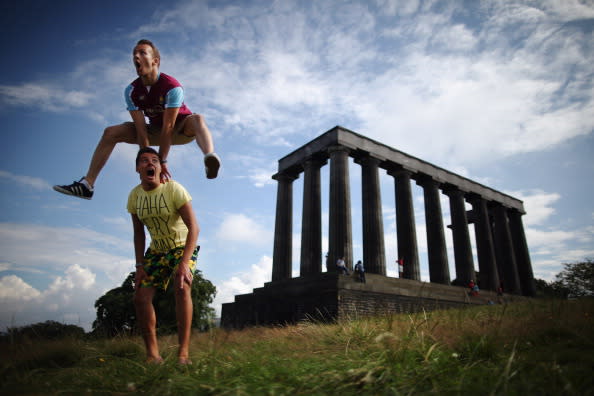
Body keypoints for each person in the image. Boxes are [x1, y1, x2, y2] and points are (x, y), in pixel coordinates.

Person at [54, 39, 221, 200]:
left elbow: (168, 127)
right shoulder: (131, 91)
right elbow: (141, 129)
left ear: (155, 61)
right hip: (155, 129)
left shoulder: (172, 86)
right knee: (111, 132)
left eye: (142, 53)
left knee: (198, 119)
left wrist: (161, 161)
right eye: (134, 54)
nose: (136, 57)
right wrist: (146, 162)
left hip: (182, 128)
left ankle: (209, 157)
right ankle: (87, 185)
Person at [128, 147, 199, 365]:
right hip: (156, 250)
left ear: (160, 167)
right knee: (140, 296)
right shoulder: (135, 196)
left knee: (181, 287)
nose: (150, 163)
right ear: (138, 168)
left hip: (181, 246)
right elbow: (138, 234)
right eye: (144, 161)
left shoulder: (174, 189)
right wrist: (139, 265)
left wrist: (184, 264)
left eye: (155, 160)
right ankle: (153, 355)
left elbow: (194, 228)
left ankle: (183, 354)